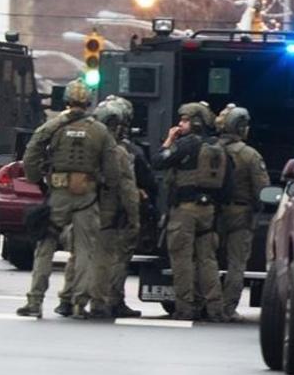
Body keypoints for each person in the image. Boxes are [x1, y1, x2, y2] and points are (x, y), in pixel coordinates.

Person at [15, 79, 121, 319]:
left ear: (67, 100)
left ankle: (35, 300)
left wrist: (37, 180)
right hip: (87, 195)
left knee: (46, 245)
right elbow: (112, 170)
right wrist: (106, 192)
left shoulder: (53, 126)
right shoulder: (100, 131)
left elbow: (32, 151)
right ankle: (78, 303)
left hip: (58, 194)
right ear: (88, 102)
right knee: (85, 250)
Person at [152, 102, 233, 322]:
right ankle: (215, 308)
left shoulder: (186, 145)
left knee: (182, 260)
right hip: (208, 211)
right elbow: (228, 185)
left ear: (196, 122)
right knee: (208, 260)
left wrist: (169, 140)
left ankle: (185, 308)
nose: (180, 124)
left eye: (185, 120)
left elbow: (158, 161)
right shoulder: (218, 147)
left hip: (184, 212)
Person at [215, 104, 268, 321]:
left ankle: (208, 304)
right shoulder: (250, 155)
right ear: (242, 128)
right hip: (241, 213)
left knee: (207, 259)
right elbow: (262, 190)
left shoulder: (211, 149)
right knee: (236, 263)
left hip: (214, 212)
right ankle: (228, 308)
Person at [89, 99, 140, 318]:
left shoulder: (88, 145)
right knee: (109, 258)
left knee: (82, 256)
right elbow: (127, 188)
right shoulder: (117, 152)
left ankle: (72, 300)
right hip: (109, 213)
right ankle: (106, 301)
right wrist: (134, 218)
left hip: (84, 209)